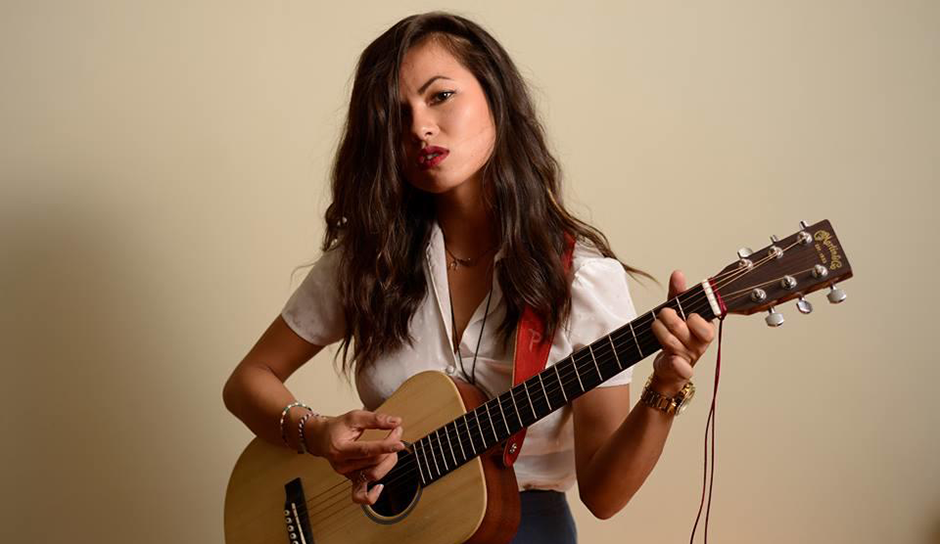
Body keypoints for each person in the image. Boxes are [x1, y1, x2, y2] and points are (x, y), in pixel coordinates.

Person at [223, 11, 715, 544]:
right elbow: (248, 381)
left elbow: (604, 495)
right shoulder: (369, 261)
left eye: (440, 96)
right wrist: (317, 434)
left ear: (495, 98)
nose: (419, 127)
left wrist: (666, 384)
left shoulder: (581, 280)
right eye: (396, 113)